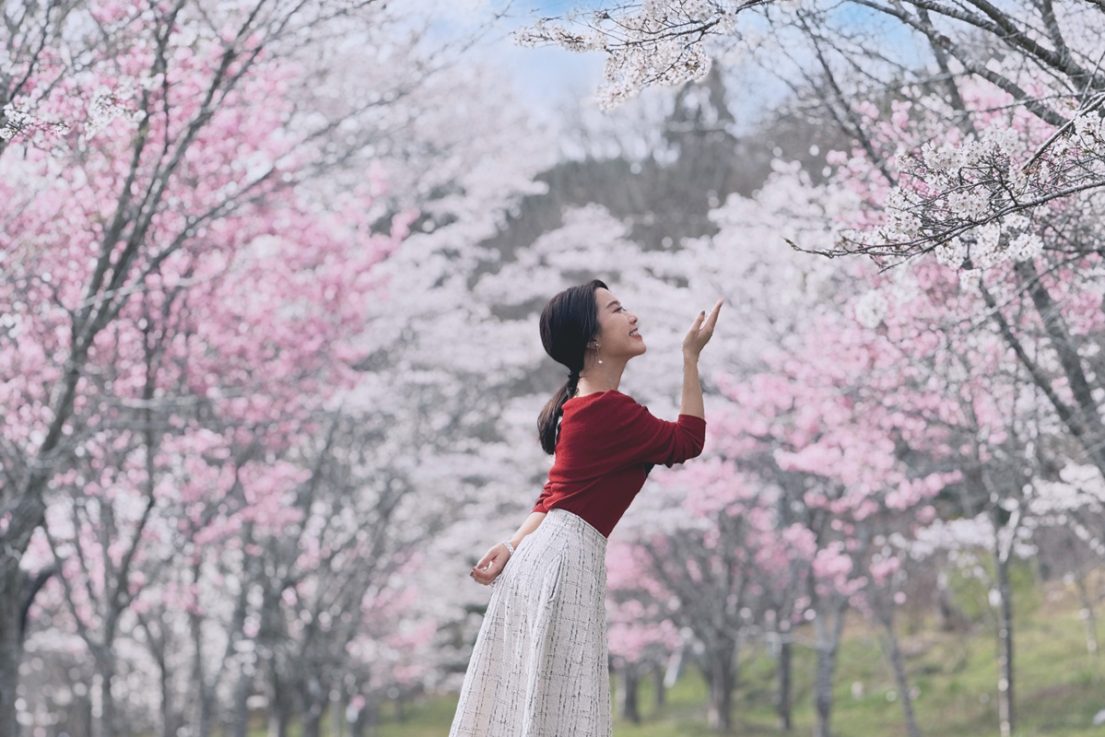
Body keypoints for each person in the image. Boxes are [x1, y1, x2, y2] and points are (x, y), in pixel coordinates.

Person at [447, 278, 723, 737]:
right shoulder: (606, 409)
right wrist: (691, 357)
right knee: (563, 707)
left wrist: (512, 545)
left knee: (540, 705)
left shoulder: (583, 405)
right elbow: (688, 441)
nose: (632, 316)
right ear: (592, 337)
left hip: (550, 556)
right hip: (564, 562)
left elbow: (555, 493)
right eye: (617, 310)